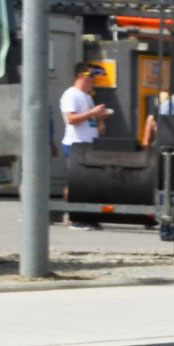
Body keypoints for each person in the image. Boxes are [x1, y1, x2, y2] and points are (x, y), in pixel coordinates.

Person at [59, 63, 111, 228]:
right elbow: (71, 119)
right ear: (82, 75)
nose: (93, 80)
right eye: (92, 76)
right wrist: (93, 112)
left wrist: (100, 118)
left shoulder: (87, 97)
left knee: (89, 183)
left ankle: (86, 215)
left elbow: (98, 128)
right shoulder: (71, 94)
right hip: (75, 143)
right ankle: (72, 216)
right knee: (75, 183)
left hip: (89, 144)